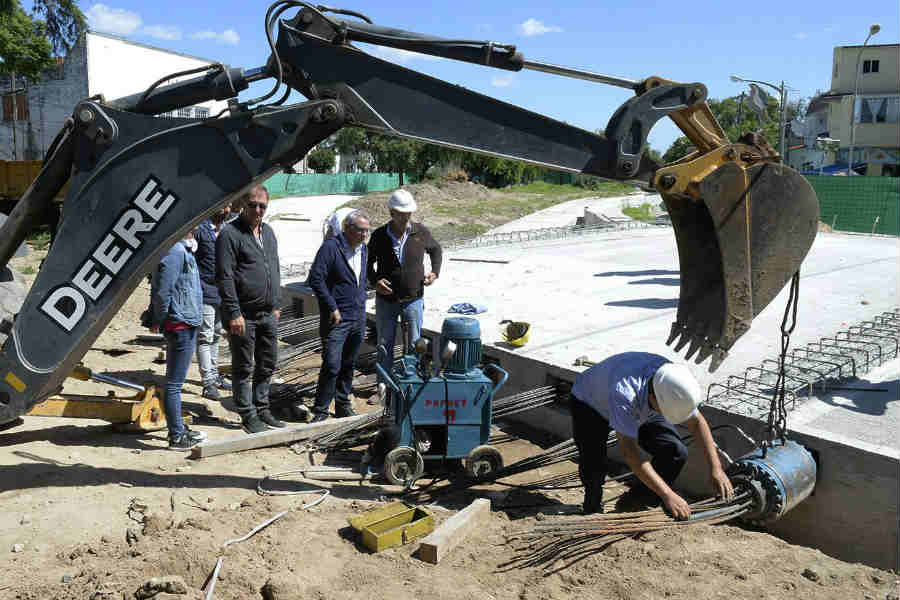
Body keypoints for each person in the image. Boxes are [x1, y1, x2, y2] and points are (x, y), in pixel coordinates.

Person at [570, 352, 733, 518]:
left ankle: (634, 503)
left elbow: (697, 422)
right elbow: (630, 452)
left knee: (675, 452)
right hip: (590, 403)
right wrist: (668, 495)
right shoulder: (626, 394)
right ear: (653, 399)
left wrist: (716, 468)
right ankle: (592, 508)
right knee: (594, 461)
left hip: (641, 406)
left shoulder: (672, 382)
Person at [216, 185, 284, 434]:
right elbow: (224, 276)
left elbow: (274, 268)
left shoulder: (269, 233)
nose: (257, 209)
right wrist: (233, 312)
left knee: (267, 363)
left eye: (262, 206)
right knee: (244, 367)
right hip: (243, 315)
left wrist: (276, 304)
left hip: (268, 314)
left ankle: (263, 407)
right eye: (253, 204)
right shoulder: (230, 234)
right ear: (244, 203)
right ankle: (247, 414)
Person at [367, 189, 442, 401]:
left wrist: (435, 272)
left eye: (409, 213)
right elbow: (367, 263)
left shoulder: (420, 232)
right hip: (386, 301)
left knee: (415, 343)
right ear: (391, 212)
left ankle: (412, 381)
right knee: (385, 343)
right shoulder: (380, 236)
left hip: (414, 299)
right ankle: (382, 384)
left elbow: (436, 250)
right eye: (401, 213)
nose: (406, 217)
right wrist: (375, 282)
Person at [308, 210, 371, 422]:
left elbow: (362, 279)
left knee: (349, 363)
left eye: (367, 231)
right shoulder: (331, 248)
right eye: (361, 230)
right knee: (332, 364)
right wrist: (331, 307)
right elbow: (316, 279)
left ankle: (343, 404)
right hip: (336, 319)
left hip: (357, 316)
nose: (364, 235)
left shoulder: (364, 250)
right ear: (347, 228)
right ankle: (321, 410)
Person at [150, 233, 207, 450]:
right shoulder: (174, 251)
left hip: (185, 320)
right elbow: (163, 290)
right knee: (174, 385)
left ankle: (179, 429)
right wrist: (160, 318)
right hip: (180, 324)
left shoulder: (180, 250)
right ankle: (176, 436)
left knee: (174, 383)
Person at [194, 205, 232, 400]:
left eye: (229, 206)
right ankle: (207, 381)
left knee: (216, 334)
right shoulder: (200, 231)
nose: (226, 209)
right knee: (205, 336)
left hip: (222, 293)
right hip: (204, 291)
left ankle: (215, 375)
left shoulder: (227, 230)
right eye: (224, 205)